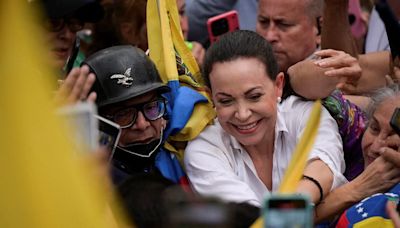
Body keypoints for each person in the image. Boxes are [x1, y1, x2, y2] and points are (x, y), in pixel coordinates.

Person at [184, 30, 347, 208]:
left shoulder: (304, 115)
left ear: (278, 85)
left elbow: (325, 166)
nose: (243, 114)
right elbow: (252, 221)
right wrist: (354, 191)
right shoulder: (204, 148)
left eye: (254, 96)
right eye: (226, 101)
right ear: (211, 97)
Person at [82, 45, 186, 185]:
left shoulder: (183, 156)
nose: (142, 124)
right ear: (97, 123)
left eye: (151, 108)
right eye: (123, 115)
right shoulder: (90, 187)